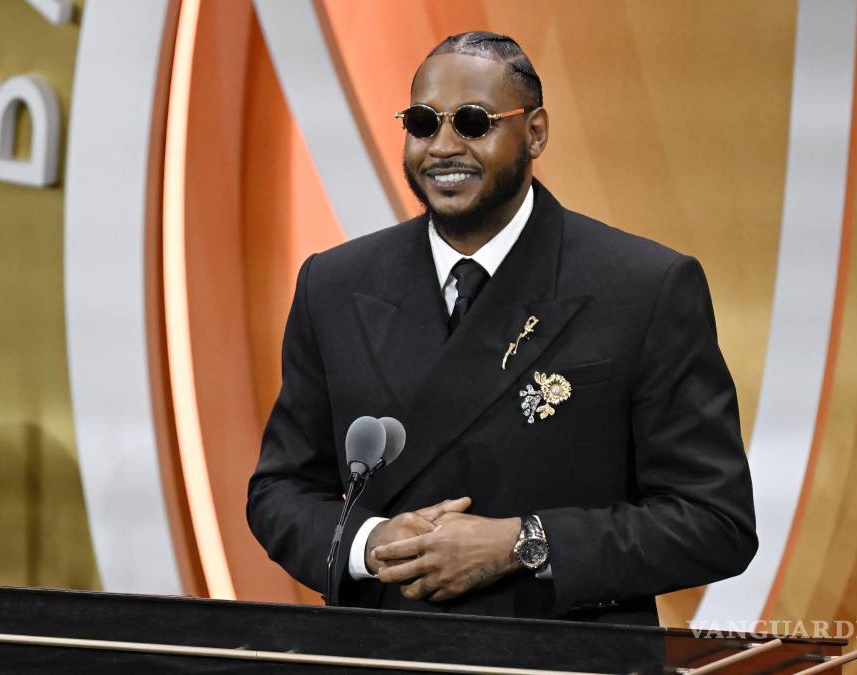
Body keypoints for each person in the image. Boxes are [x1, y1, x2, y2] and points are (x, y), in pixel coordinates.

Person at [246, 31, 756, 625]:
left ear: (535, 132)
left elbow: (715, 521)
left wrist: (525, 543)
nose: (443, 147)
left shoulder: (644, 287)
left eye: (473, 122)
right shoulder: (333, 284)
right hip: (383, 649)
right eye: (422, 123)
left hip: (563, 653)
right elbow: (281, 491)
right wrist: (369, 543)